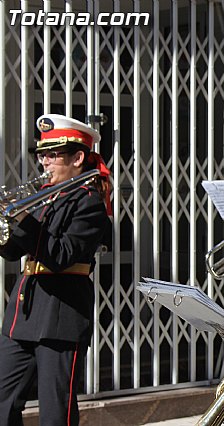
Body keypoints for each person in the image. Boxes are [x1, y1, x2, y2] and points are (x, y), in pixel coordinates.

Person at [0, 114, 111, 426]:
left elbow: (60, 256)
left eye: (52, 155)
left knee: (54, 412)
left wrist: (22, 221)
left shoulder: (89, 202)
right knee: (3, 402)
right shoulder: (47, 198)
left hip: (60, 316)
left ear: (77, 158)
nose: (44, 162)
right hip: (22, 316)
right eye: (42, 155)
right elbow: (15, 252)